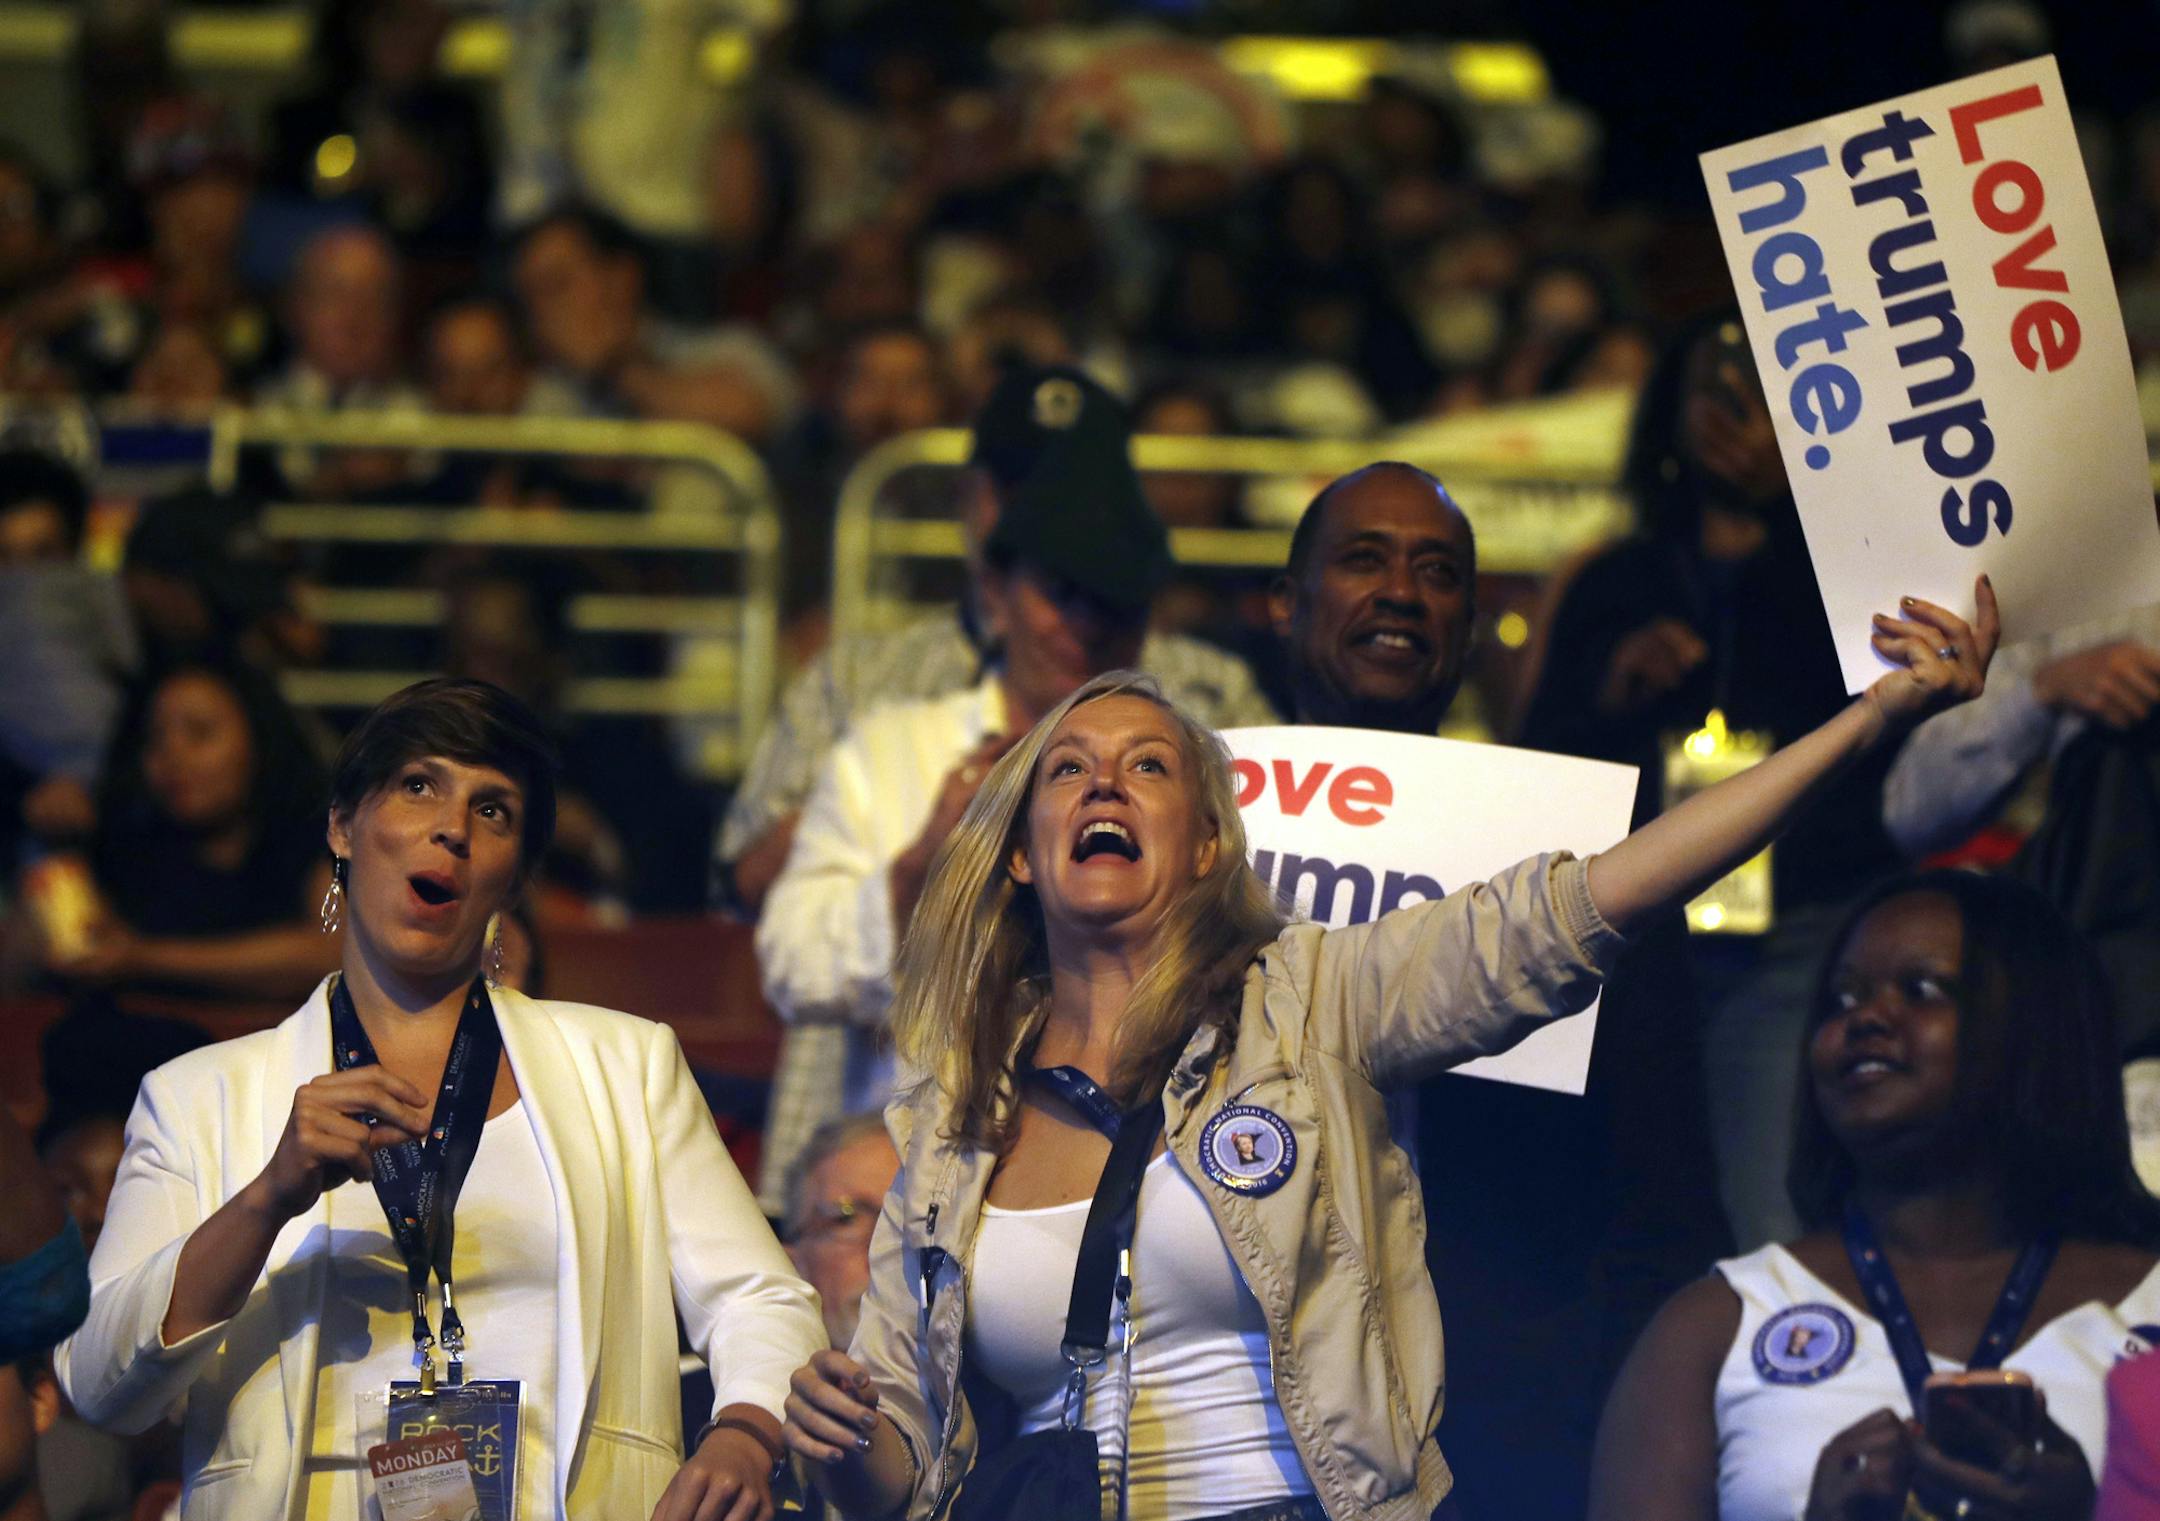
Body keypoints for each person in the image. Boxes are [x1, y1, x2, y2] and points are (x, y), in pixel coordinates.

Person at [778, 554, 1995, 1521]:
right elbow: (899, 1473)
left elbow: (1597, 899)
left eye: (1147, 765)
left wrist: (1869, 721)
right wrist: (840, 1445)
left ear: (1206, 844)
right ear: (1023, 849)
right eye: (1069, 771)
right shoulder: (945, 1130)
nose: (1103, 783)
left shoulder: (1317, 1002)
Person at [57, 677, 825, 1519]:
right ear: (343, 827)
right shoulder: (198, 1098)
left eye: (492, 811)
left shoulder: (626, 1065)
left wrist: (746, 1428)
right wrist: (268, 1196)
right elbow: (97, 1382)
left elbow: (763, 1297)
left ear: (513, 875)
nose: (452, 827)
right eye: (418, 785)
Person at [1270, 462, 1729, 1520]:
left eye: (1437, 572)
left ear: (1469, 629)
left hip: (1505, 1401)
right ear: (1284, 606)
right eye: (1362, 560)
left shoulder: (1569, 862)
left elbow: (1662, 1186)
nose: (1400, 590)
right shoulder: (1189, 845)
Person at [753, 368, 1250, 1211]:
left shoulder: (1203, 762)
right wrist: (914, 876)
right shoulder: (896, 749)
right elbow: (791, 964)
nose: (1086, 625)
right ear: (995, 593)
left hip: (1144, 1170)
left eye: (1114, 602)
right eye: (1061, 593)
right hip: (911, 1166)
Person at [1588, 870, 2160, 1521]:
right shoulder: (1712, 1325)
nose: (1866, 1016)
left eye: (1920, 990)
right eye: (1841, 997)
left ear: (2038, 1022)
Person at [1520, 312, 1906, 1252]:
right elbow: (1536, 756)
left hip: (1798, 934)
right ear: (1673, 414)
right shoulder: (1611, 576)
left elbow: (1892, 761)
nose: (1738, 422)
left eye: (1765, 400)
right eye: (1715, 395)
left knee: (1761, 1204)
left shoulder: (1849, 576)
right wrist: (1615, 689)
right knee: (1630, 1202)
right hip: (1637, 935)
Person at [711, 364, 1277, 926]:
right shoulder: (865, 680)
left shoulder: (1209, 687)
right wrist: (884, 800)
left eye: (1074, 492)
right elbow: (741, 888)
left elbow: (1284, 871)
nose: (1040, 517)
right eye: (1016, 491)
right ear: (967, 496)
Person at [40, 659, 338, 1000]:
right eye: (155, 738)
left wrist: (144, 957)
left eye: (199, 732)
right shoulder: (127, 842)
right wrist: (56, 843)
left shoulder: (313, 831)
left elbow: (328, 953)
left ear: (259, 738)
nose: (173, 755)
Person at [783, 1114, 903, 1353]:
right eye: (846, 1219)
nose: (883, 1251)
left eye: (912, 1221)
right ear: (791, 1264)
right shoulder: (727, 1388)